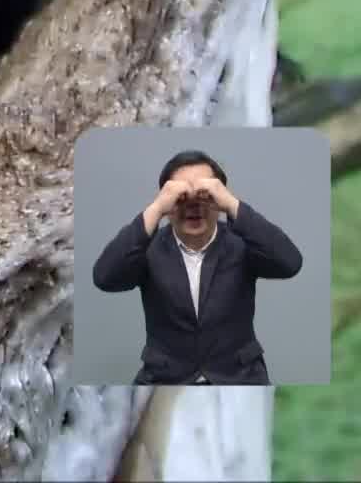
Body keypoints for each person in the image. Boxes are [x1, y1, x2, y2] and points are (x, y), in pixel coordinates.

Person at [90, 149, 304, 385]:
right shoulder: (148, 249)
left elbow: (290, 262)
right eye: (180, 198)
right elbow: (104, 277)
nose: (193, 206)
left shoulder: (242, 243)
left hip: (238, 377)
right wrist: (156, 209)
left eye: (205, 196)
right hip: (165, 379)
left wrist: (232, 204)